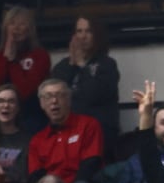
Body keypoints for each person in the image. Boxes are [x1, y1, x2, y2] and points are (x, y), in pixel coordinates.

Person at [51, 16, 121, 145]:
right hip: (67, 132)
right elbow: (55, 96)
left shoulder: (107, 65)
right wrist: (72, 64)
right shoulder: (62, 67)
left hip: (99, 132)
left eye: (88, 31)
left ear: (97, 35)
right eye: (79, 31)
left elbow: (93, 95)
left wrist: (82, 64)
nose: (83, 37)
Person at [0, 6, 51, 128]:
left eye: (22, 24)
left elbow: (25, 92)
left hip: (30, 115)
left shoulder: (40, 55)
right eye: (12, 24)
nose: (16, 28)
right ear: (5, 28)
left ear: (30, 29)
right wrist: (5, 60)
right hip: (1, 115)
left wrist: (13, 63)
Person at [26, 78, 104, 183]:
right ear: (42, 104)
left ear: (69, 99)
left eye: (59, 95)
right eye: (48, 97)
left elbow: (91, 164)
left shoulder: (88, 125)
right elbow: (36, 175)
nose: (54, 101)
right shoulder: (37, 140)